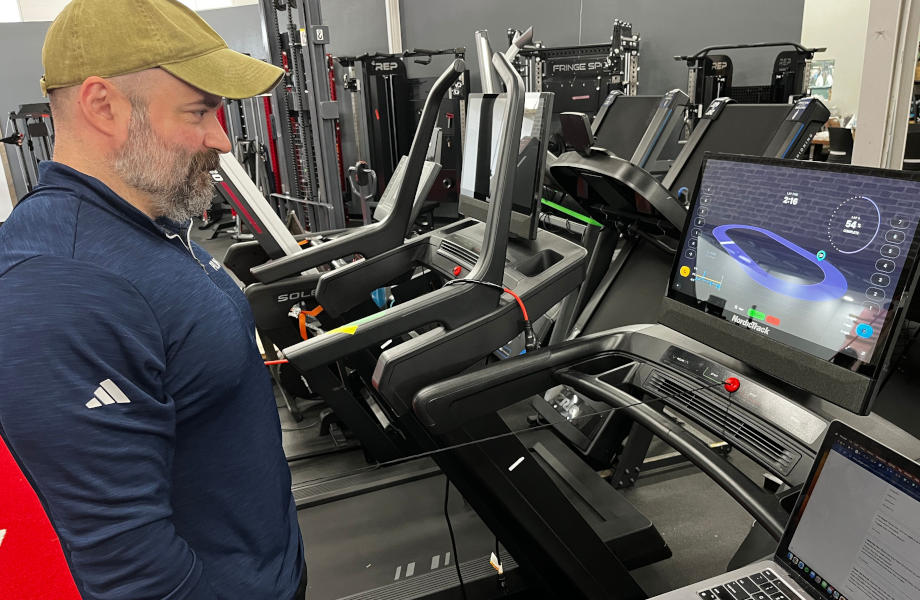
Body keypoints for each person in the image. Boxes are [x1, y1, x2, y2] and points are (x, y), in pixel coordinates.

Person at [0, 1, 306, 598]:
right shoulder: (59, 287)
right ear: (103, 105)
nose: (221, 139)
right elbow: (131, 567)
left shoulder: (146, 227)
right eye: (199, 111)